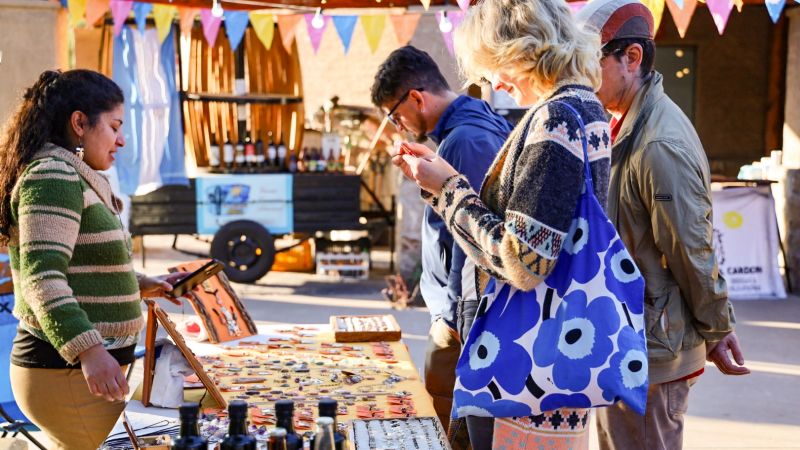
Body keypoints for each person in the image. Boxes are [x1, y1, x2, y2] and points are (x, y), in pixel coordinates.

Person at [394, 1, 610, 448]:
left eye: (492, 65)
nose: (490, 82)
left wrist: (448, 188)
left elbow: (523, 261)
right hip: (553, 349)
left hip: (522, 360)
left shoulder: (556, 119)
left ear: (521, 51)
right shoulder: (585, 107)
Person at [574, 1, 750, 448]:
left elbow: (691, 249)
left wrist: (718, 325)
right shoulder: (626, 123)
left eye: (587, 62)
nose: (578, 78)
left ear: (631, 58)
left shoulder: (659, 143)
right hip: (630, 340)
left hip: (653, 350)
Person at [0, 69, 188, 450]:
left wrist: (135, 282)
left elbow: (77, 263)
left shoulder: (70, 173)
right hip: (64, 374)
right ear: (80, 123)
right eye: (115, 126)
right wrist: (89, 350)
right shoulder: (52, 176)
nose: (121, 140)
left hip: (74, 374)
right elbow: (44, 278)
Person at [371, 45, 512, 439]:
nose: (399, 126)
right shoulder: (463, 131)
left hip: (463, 313)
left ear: (416, 97)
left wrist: (451, 317)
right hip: (458, 310)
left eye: (396, 117)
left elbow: (473, 235)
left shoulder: (465, 140)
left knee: (450, 427)